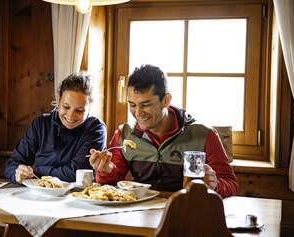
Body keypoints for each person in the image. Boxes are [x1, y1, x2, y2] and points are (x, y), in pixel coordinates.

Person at [89, 65, 238, 197]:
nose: (138, 113)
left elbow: (231, 184)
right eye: (132, 105)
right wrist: (105, 171)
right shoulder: (124, 134)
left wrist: (215, 185)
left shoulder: (204, 135)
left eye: (145, 104)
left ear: (166, 100)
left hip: (188, 214)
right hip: (140, 215)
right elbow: (109, 183)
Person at [5, 73, 106, 183]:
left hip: (77, 196)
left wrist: (36, 171)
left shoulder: (96, 130)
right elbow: (12, 164)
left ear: (89, 108)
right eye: (66, 107)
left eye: (79, 110)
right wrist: (17, 173)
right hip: (37, 193)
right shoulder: (40, 124)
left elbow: (76, 173)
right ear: (58, 101)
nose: (70, 116)